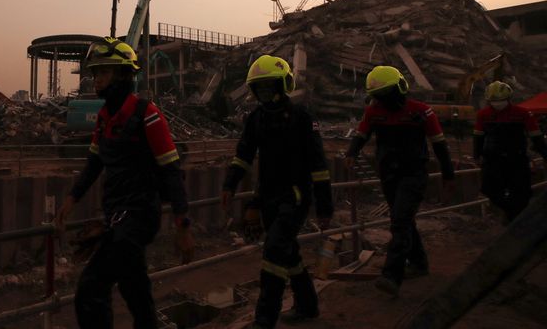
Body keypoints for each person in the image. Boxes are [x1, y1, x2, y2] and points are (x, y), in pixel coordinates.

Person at [55, 36, 194, 329]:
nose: (97, 80)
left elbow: (172, 172)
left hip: (140, 216)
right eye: (95, 73)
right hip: (117, 214)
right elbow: (94, 163)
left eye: (103, 72)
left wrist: (183, 227)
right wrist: (71, 199)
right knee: (135, 288)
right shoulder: (104, 118)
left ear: (123, 74)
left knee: (91, 290)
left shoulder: (148, 115)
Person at [221, 55, 333, 329]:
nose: (264, 93)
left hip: (295, 196)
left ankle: (264, 319)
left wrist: (325, 207)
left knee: (273, 252)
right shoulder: (256, 119)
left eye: (269, 87)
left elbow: (318, 165)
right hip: (268, 195)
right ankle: (308, 306)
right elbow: (243, 155)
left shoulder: (302, 118)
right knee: (288, 252)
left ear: (283, 85)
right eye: (259, 89)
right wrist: (229, 184)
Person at [345, 65, 454, 297]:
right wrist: (351, 154)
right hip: (388, 174)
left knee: (400, 222)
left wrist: (448, 174)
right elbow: (361, 135)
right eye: (379, 96)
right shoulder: (374, 113)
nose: (384, 100)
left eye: (387, 94)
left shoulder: (422, 112)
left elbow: (440, 145)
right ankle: (419, 263)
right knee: (403, 220)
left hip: (413, 174)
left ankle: (392, 275)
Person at [473, 81, 547, 222]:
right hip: (493, 160)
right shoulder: (483, 115)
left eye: (500, 100)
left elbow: (536, 137)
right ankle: (512, 215)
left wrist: (545, 154)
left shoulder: (523, 114)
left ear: (508, 98)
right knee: (489, 189)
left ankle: (515, 221)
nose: (497, 103)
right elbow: (478, 137)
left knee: (522, 194)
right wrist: (476, 155)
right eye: (494, 101)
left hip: (517, 160)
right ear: (489, 101)